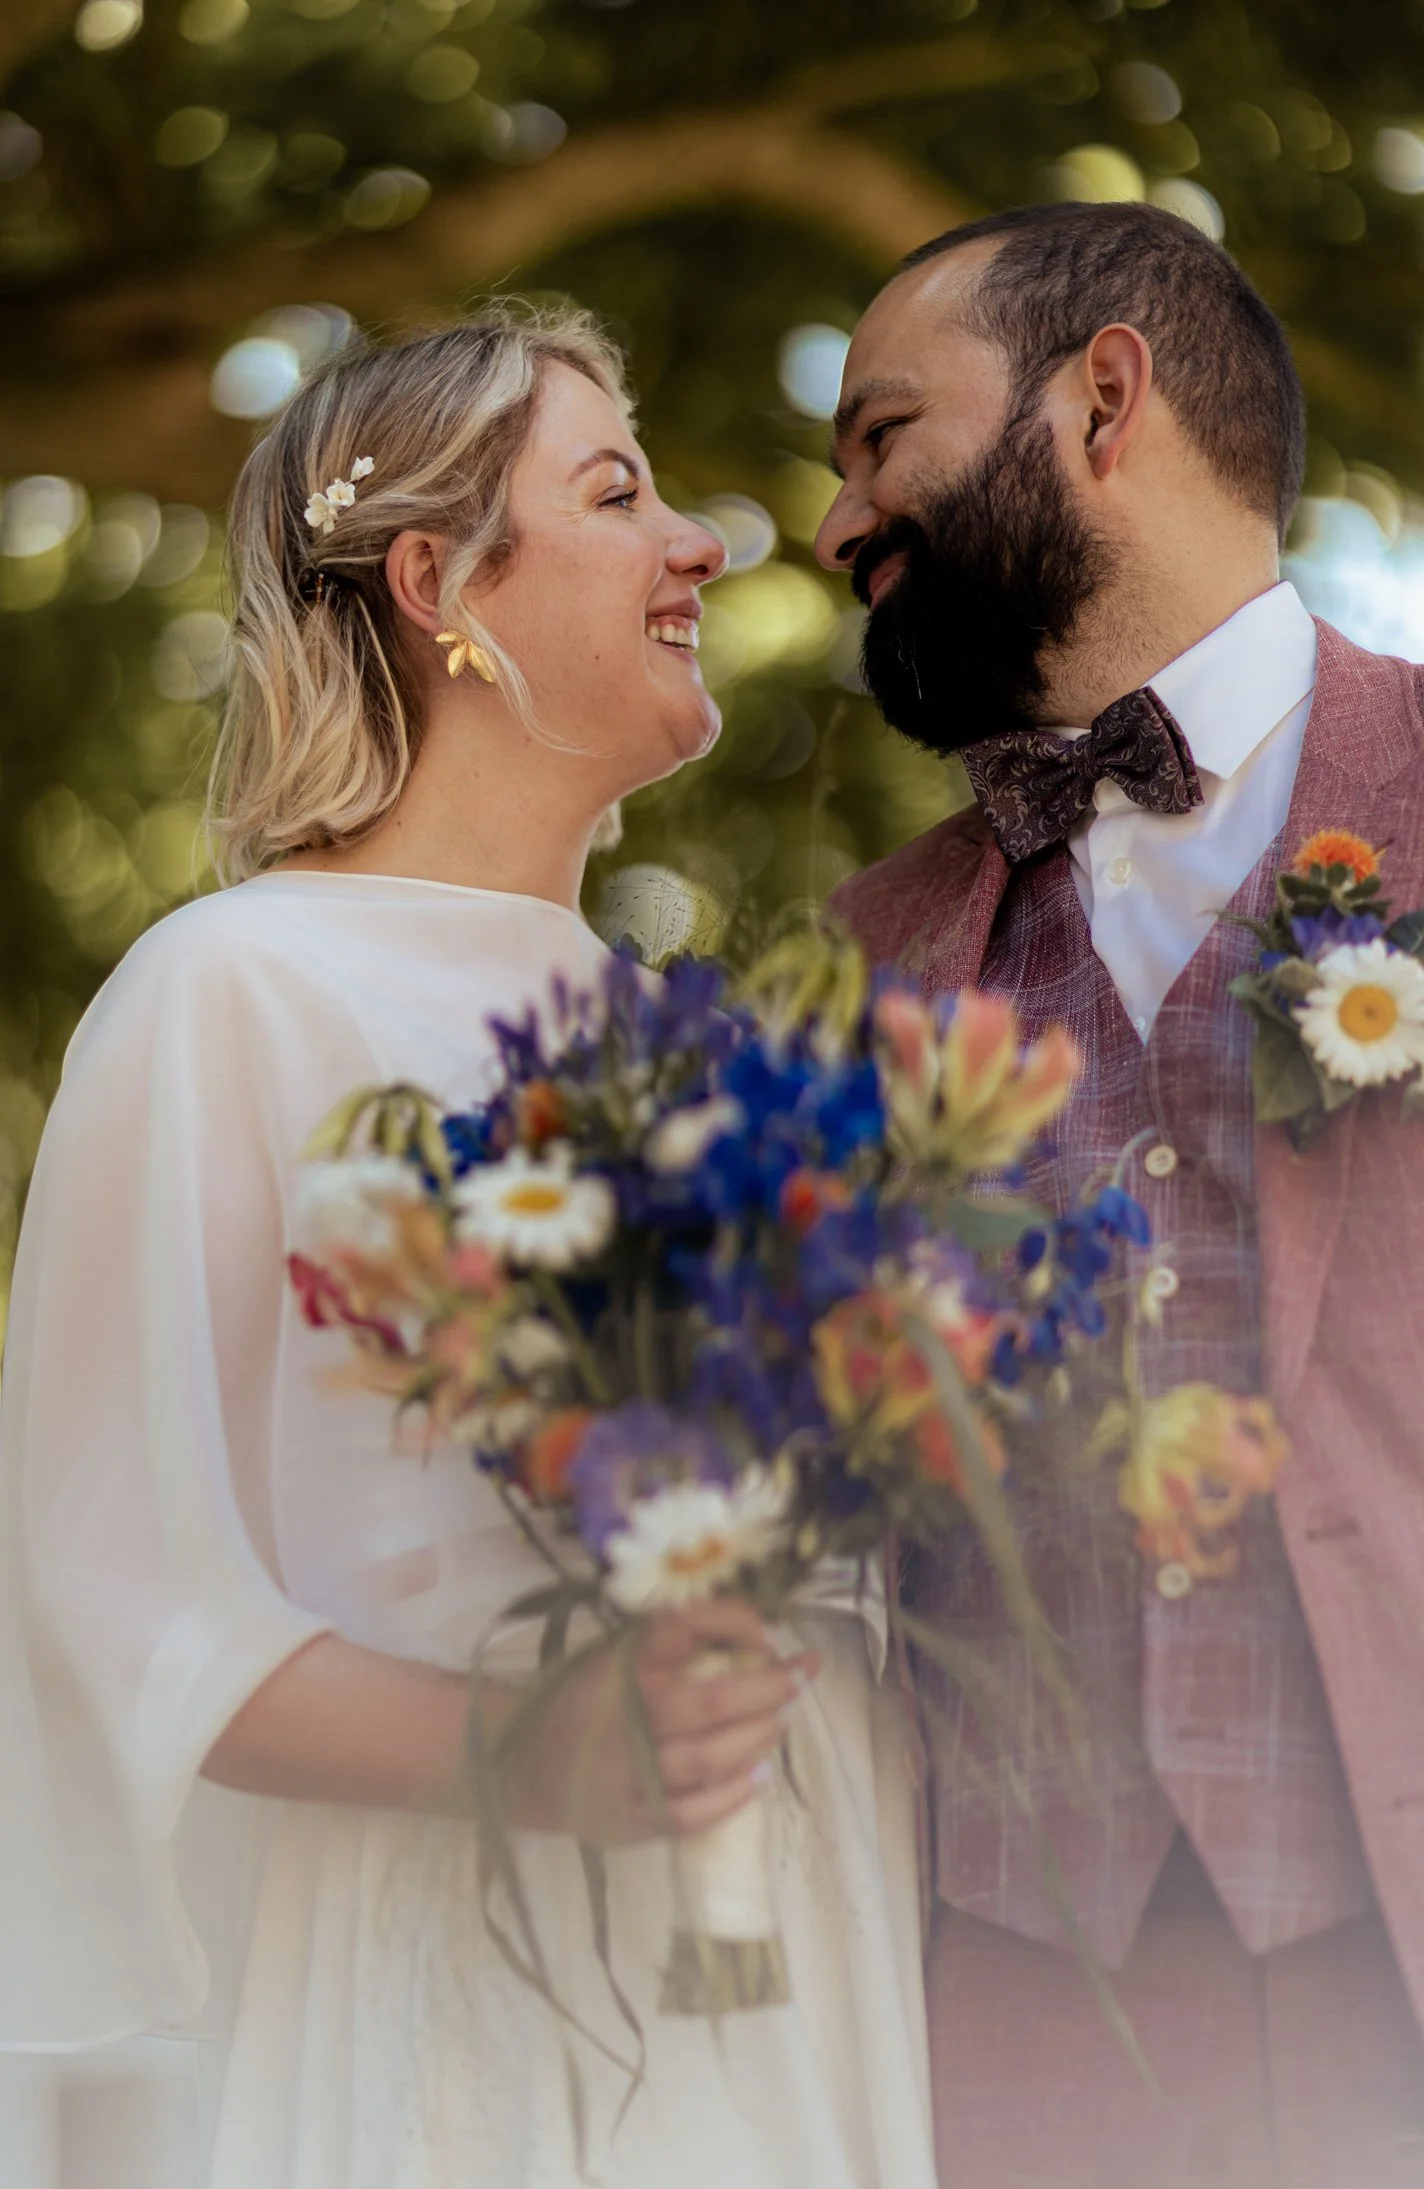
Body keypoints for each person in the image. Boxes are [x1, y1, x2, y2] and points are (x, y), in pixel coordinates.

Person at [0, 303, 937, 2189]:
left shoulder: (694, 1048)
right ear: (440, 583)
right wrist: (530, 1748)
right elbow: (106, 1600)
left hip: (793, 1971)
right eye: (618, 491)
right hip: (466, 2003)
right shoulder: (230, 994)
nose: (703, 545)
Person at [819, 201, 1424, 2189]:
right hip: (1010, 1996)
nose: (840, 523)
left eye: (880, 434)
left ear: (1105, 397)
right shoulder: (870, 955)